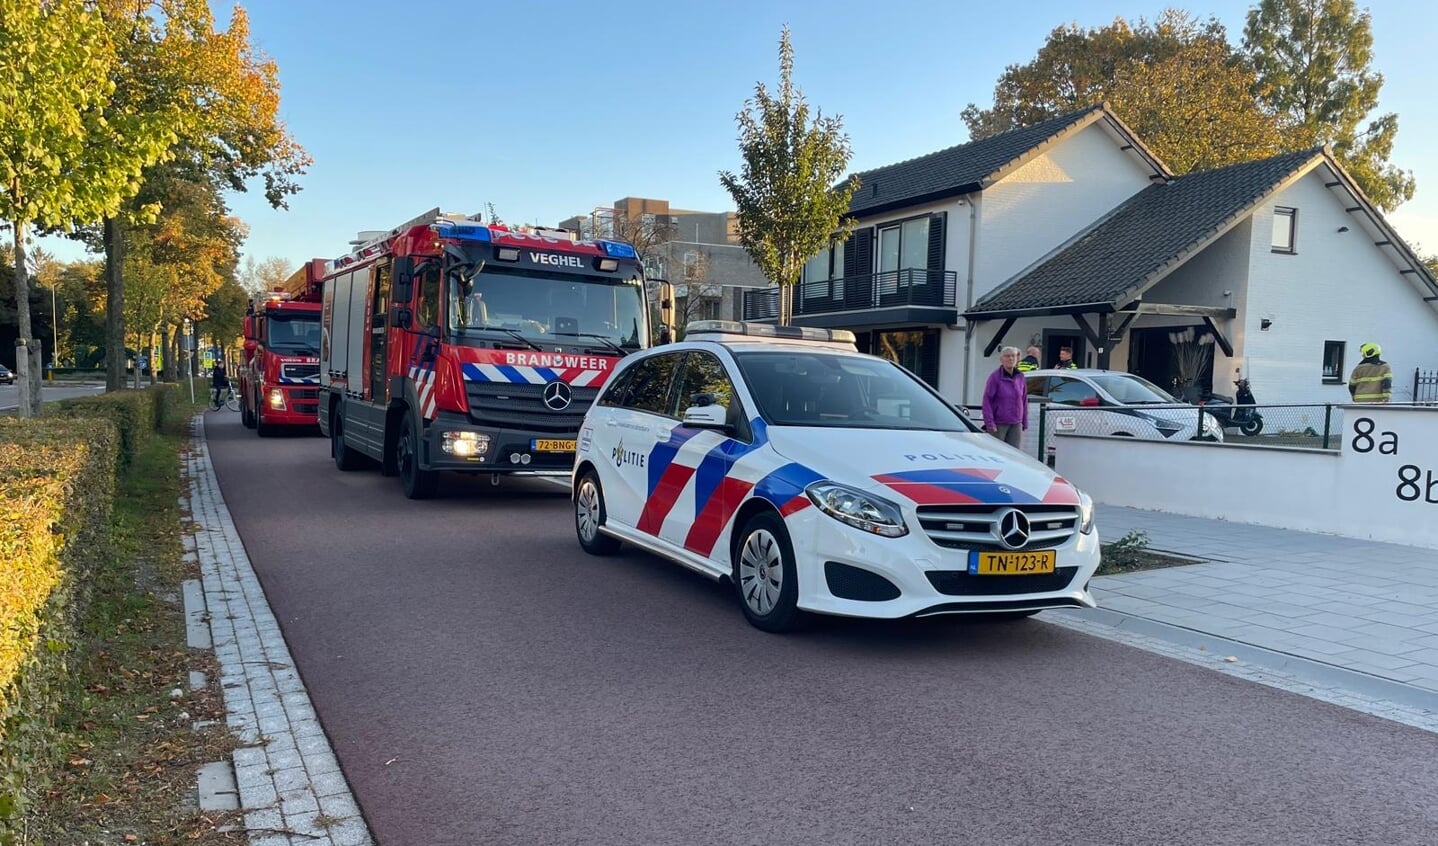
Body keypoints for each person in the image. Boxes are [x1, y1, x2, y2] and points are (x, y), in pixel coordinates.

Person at [982, 346, 1027, 448]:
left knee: (1014, 454)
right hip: (998, 424)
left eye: (1013, 356)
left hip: (1016, 423)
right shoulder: (995, 377)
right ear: (1001, 359)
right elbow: (987, 400)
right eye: (1007, 356)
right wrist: (989, 423)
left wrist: (1024, 421)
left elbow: (1023, 399)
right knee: (997, 452)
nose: (1010, 359)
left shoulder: (1020, 376)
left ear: (1017, 358)